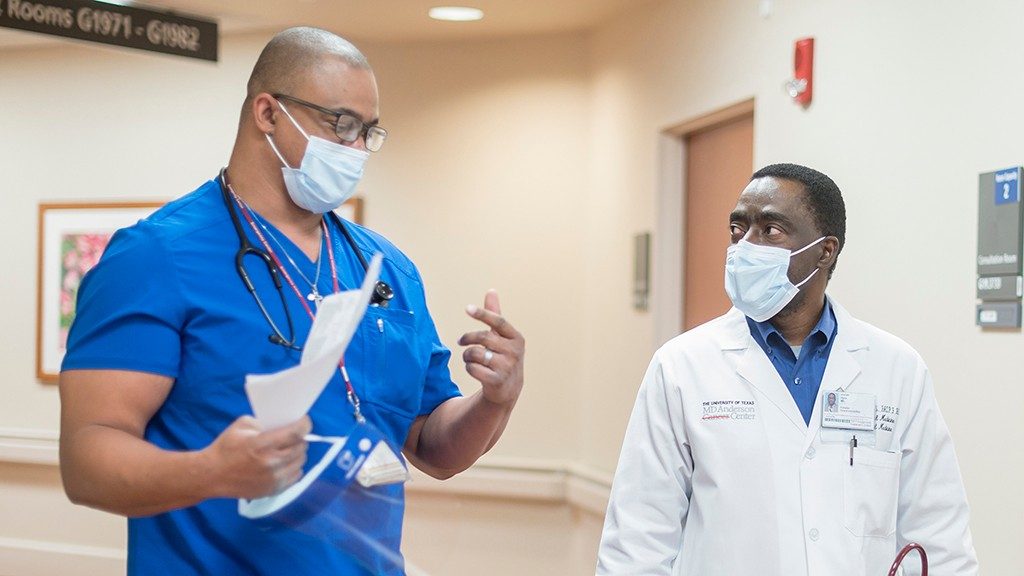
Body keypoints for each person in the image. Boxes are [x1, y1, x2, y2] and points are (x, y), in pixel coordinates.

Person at [58, 27, 525, 575]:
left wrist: (495, 399)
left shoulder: (387, 269)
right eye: (341, 124)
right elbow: (87, 458)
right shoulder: (155, 256)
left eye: (367, 132)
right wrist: (210, 472)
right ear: (267, 113)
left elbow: (433, 446)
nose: (355, 149)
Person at [596, 164, 977, 575]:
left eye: (770, 230)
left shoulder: (897, 369)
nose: (745, 246)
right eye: (738, 228)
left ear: (825, 250)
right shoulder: (681, 367)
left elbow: (938, 536)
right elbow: (637, 539)